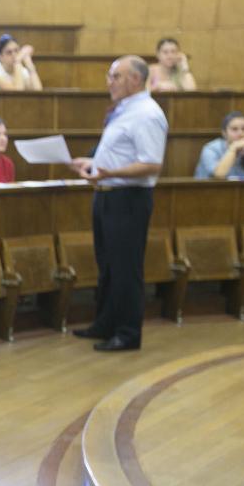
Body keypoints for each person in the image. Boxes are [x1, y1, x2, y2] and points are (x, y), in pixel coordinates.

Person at [68, 56, 167, 352]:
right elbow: (119, 156)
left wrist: (112, 173)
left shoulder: (147, 114)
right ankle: (106, 323)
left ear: (135, 80)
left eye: (116, 76)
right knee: (108, 266)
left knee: (126, 268)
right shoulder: (124, 111)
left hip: (129, 199)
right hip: (107, 195)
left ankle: (127, 332)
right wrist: (93, 163)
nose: (109, 82)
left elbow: (151, 164)